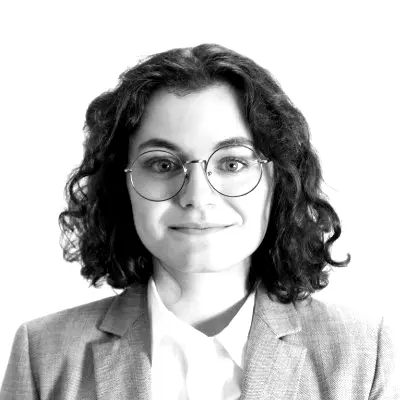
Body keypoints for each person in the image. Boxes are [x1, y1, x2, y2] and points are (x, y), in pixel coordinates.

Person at [1, 43, 398, 400]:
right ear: (122, 184)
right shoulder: (43, 355)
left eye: (232, 163)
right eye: (162, 164)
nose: (197, 196)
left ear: (278, 179)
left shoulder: (365, 354)